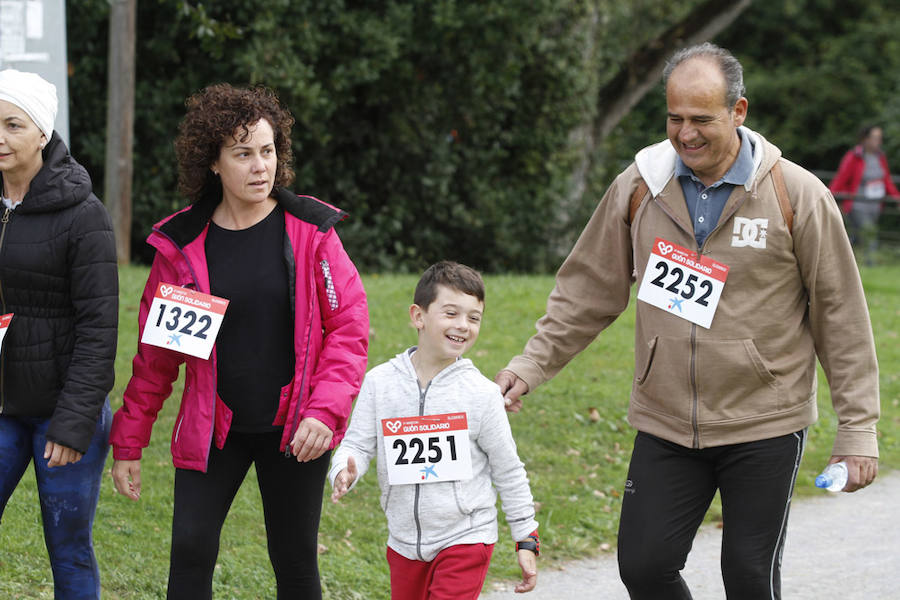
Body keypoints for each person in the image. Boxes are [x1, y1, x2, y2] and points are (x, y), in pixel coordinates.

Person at [496, 43, 879, 599]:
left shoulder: (795, 195)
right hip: (666, 418)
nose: (686, 133)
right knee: (645, 568)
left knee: (749, 578)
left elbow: (840, 313)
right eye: (675, 119)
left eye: (702, 119)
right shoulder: (640, 186)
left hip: (763, 421)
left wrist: (857, 429)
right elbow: (587, 290)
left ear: (739, 112)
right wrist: (531, 364)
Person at [109, 83, 369, 599]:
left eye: (267, 151)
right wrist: (129, 440)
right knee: (189, 552)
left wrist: (324, 412)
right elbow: (155, 358)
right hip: (214, 428)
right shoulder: (181, 246)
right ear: (214, 162)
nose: (260, 166)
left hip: (297, 428)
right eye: (243, 153)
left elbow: (349, 328)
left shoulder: (311, 231)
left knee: (295, 564)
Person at [329, 261, 539, 599]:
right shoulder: (380, 383)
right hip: (403, 541)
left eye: (474, 318)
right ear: (418, 316)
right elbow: (357, 444)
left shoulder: (482, 395)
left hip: (466, 537)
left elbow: (508, 469)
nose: (463, 325)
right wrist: (344, 469)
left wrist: (526, 538)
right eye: (451, 313)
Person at [0, 69, 118, 599]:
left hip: (62, 414)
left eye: (12, 125)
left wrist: (73, 425)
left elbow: (99, 329)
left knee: (67, 547)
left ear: (42, 134)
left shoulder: (83, 215)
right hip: (2, 406)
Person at [828, 124, 900, 264]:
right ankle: (870, 265)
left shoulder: (880, 157)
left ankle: (840, 260)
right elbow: (841, 178)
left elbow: (886, 180)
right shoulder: (854, 157)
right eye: (875, 138)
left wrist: (896, 197)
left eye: (880, 138)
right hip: (857, 205)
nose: (878, 141)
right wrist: (828, 198)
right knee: (869, 234)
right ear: (865, 139)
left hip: (875, 206)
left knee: (857, 237)